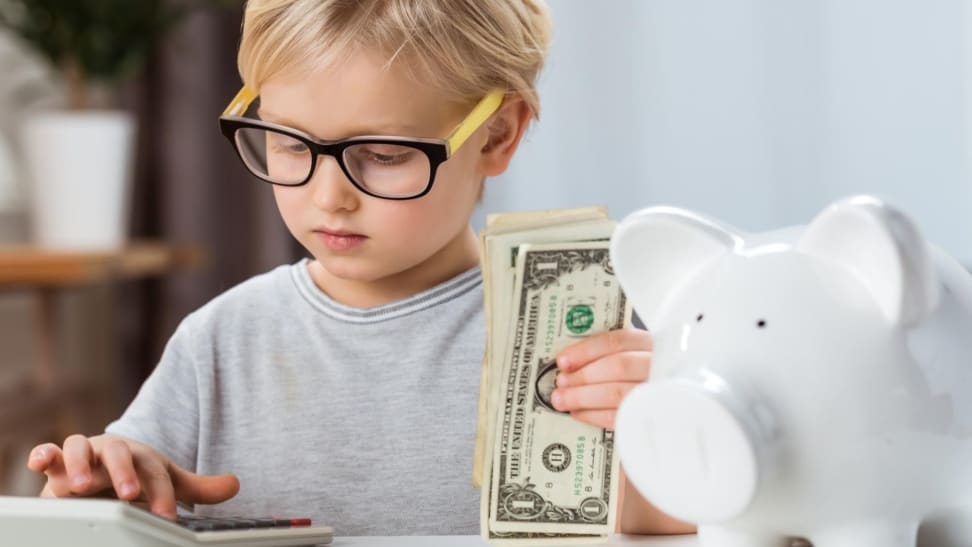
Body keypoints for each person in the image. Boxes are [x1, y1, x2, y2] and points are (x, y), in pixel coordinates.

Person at [26, 0, 693, 536]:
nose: (328, 196)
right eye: (290, 144)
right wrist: (92, 487)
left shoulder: (581, 335)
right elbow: (100, 510)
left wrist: (662, 440)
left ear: (497, 136)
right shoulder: (219, 341)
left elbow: (700, 518)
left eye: (381, 153)